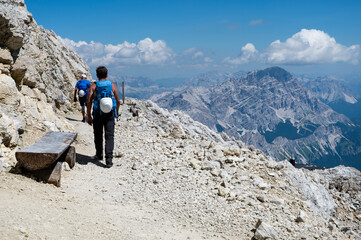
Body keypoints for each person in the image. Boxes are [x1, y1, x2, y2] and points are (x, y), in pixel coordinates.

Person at [87, 66, 121, 168]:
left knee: (98, 134)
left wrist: (88, 115)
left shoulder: (94, 85)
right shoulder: (112, 85)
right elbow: (118, 101)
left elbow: (89, 101)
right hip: (110, 113)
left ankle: (99, 154)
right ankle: (109, 159)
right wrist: (116, 112)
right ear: (107, 75)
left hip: (97, 114)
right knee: (109, 136)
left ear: (97, 75)